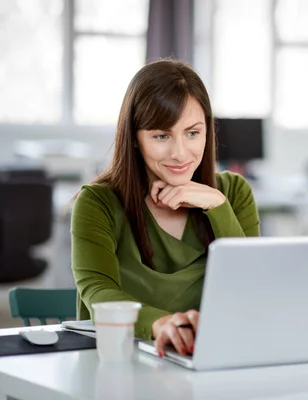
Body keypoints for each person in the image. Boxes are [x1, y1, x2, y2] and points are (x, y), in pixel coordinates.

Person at [70, 59, 260, 358]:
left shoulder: (233, 193)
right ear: (135, 137)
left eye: (192, 133)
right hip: (120, 359)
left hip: (209, 360)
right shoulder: (98, 202)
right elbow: (98, 292)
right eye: (161, 136)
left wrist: (217, 206)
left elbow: (253, 288)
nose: (180, 153)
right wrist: (161, 324)